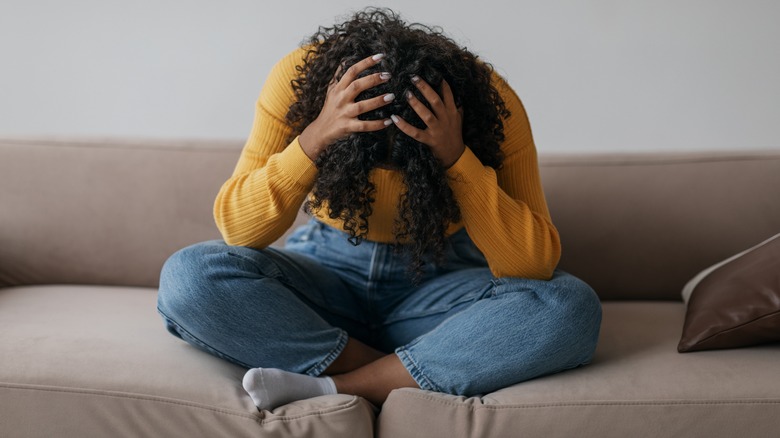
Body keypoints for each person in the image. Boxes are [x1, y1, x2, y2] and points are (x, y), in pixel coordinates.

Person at [157, 8, 602, 411]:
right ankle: (396, 372)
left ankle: (341, 385)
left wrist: (455, 157)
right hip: (324, 272)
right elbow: (239, 228)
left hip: (440, 280)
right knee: (188, 277)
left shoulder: (491, 103)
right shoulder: (299, 78)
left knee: (570, 304)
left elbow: (533, 263)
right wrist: (313, 139)